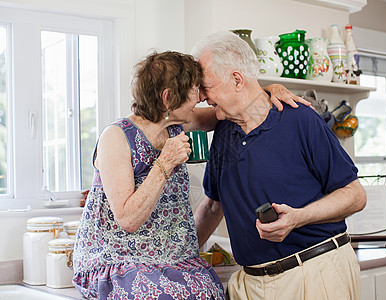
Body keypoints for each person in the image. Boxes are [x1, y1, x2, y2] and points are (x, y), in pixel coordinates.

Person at [72, 50, 307, 299]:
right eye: (195, 90)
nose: (201, 97)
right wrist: (165, 162)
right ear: (168, 98)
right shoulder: (116, 138)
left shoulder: (177, 124)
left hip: (171, 261)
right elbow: (128, 219)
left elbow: (229, 109)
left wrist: (268, 90)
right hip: (117, 261)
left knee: (210, 292)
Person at [191, 32, 367, 300]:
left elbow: (355, 196)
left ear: (237, 79)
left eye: (206, 86)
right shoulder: (225, 131)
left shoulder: (300, 119)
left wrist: (299, 217)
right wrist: (178, 258)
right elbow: (214, 206)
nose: (202, 96)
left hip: (315, 274)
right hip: (250, 283)